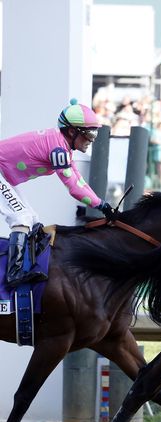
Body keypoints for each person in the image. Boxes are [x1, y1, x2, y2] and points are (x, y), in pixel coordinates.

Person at [0, 98, 114, 286]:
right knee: (20, 218)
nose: (91, 140)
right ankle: (14, 274)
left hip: (3, 174)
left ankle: (29, 265)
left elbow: (80, 181)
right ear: (72, 131)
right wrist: (102, 205)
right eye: (89, 134)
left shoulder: (62, 146)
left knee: (33, 219)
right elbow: (75, 189)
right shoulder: (58, 150)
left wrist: (103, 203)